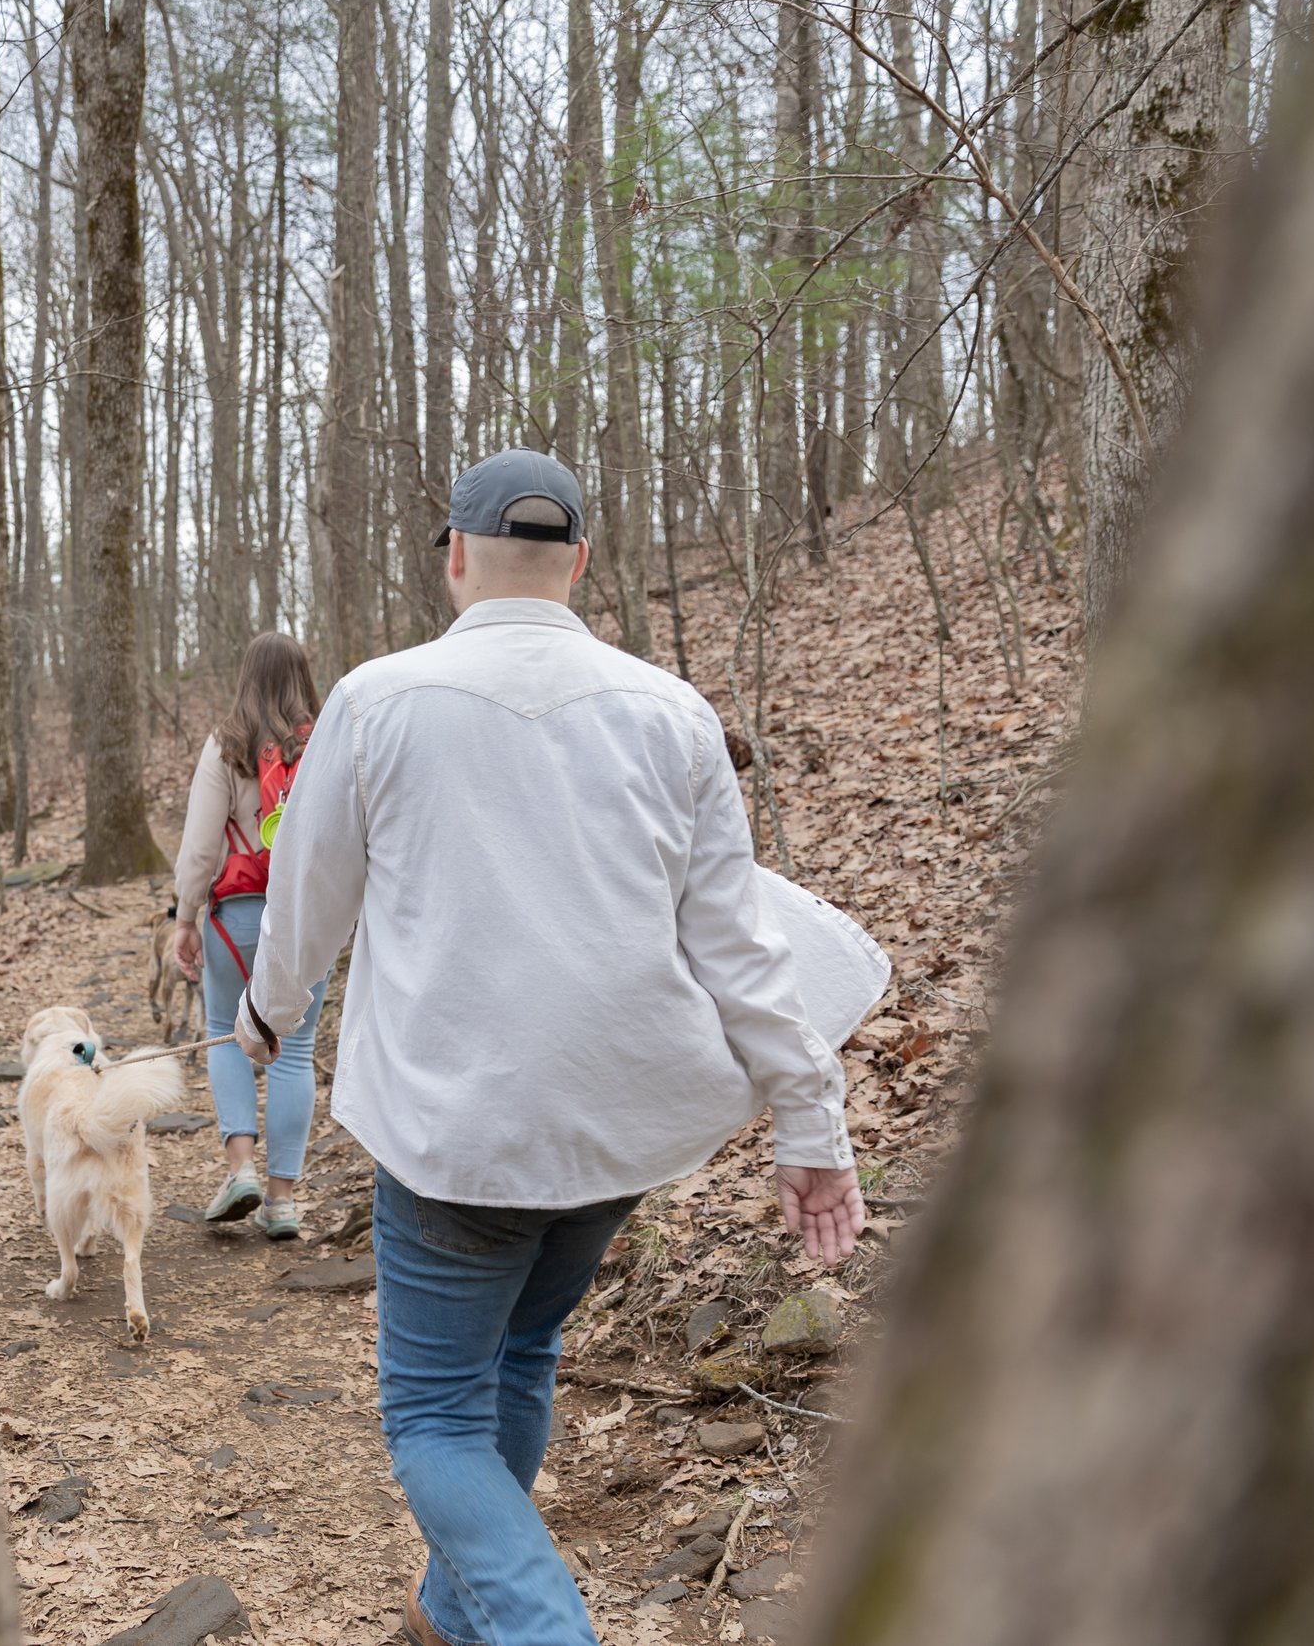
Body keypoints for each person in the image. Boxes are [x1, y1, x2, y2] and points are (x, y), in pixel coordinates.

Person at [233, 449, 864, 1646]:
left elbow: (305, 905)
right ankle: (450, 1612)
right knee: (523, 1349)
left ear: (455, 557)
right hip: (619, 1121)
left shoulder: (376, 700)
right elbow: (738, 946)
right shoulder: (670, 711)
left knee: (431, 1412)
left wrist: (266, 1017)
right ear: (579, 562)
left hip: (455, 1129)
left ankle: (533, 1628)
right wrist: (809, 1122)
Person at [169, 631, 334, 1239]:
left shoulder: (227, 745)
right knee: (292, 1050)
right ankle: (283, 1200)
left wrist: (185, 916)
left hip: (234, 916)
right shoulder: (323, 743)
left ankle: (240, 1167)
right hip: (305, 918)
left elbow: (200, 844)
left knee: (224, 1032)